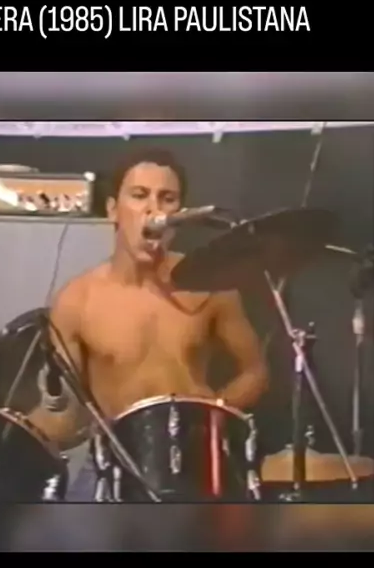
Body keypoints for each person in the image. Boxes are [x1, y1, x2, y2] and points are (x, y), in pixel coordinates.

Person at [28, 149, 269, 454]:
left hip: (194, 453)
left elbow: (255, 372)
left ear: (180, 214)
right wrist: (20, 432)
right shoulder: (76, 300)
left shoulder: (211, 286)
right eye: (139, 195)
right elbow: (68, 413)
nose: (154, 210)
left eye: (167, 199)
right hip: (117, 458)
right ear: (113, 210)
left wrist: (214, 411)